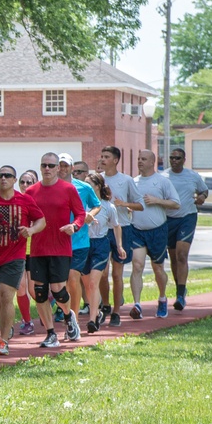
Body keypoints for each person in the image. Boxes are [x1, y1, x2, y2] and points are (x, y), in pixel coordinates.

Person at [24, 152, 86, 348]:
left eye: (51, 165)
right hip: (38, 249)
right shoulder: (31, 192)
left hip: (60, 247)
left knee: (58, 291)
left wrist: (74, 226)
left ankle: (68, 316)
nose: (47, 169)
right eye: (44, 165)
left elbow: (80, 214)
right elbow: (25, 217)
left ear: (58, 168)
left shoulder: (68, 189)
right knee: (40, 292)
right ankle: (51, 333)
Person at [0, 165, 45, 355]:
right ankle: (7, 324)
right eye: (0, 175)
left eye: (7, 175)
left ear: (14, 179)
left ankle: (3, 342)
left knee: (6, 295)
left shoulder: (24, 200)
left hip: (15, 256)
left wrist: (31, 230)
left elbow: (41, 220)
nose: (3, 178)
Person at [130, 149, 180, 319]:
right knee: (137, 265)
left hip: (157, 230)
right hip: (137, 230)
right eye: (139, 158)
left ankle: (162, 298)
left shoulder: (162, 181)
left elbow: (176, 203)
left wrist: (156, 200)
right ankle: (137, 305)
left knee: (158, 268)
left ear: (152, 162)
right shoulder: (133, 182)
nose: (140, 161)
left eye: (144, 159)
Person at [98, 146, 143, 327]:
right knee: (102, 274)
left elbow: (140, 205)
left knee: (117, 274)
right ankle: (105, 305)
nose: (102, 159)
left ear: (115, 160)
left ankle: (116, 312)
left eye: (106, 156)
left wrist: (123, 204)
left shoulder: (126, 180)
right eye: (102, 156)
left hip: (122, 229)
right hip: (102, 230)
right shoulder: (97, 179)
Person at [59, 153, 101, 340]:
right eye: (59, 165)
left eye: (65, 165)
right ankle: (67, 314)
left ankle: (72, 321)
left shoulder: (83, 187)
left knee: (72, 278)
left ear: (71, 168)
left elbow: (97, 205)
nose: (62, 169)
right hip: (57, 241)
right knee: (59, 284)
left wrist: (90, 214)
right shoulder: (49, 187)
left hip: (79, 241)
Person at [163, 147, 208, 310]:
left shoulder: (192, 176)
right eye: (172, 158)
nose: (174, 161)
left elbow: (204, 190)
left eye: (177, 158)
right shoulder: (163, 177)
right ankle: (180, 288)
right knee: (174, 258)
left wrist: (202, 197)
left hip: (187, 217)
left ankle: (180, 296)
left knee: (182, 255)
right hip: (168, 219)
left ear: (184, 160)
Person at [81, 172, 124, 333]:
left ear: (98, 186)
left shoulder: (108, 206)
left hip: (100, 245)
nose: (85, 187)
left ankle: (92, 320)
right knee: (87, 285)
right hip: (84, 245)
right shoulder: (81, 204)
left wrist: (119, 246)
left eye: (89, 184)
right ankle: (97, 311)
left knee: (93, 282)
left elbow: (116, 226)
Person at [15, 170, 40, 335]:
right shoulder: (15, 200)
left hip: (35, 250)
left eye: (29, 182)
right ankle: (27, 321)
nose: (25, 185)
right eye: (22, 182)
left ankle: (48, 304)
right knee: (20, 287)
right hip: (17, 250)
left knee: (33, 289)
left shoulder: (39, 201)